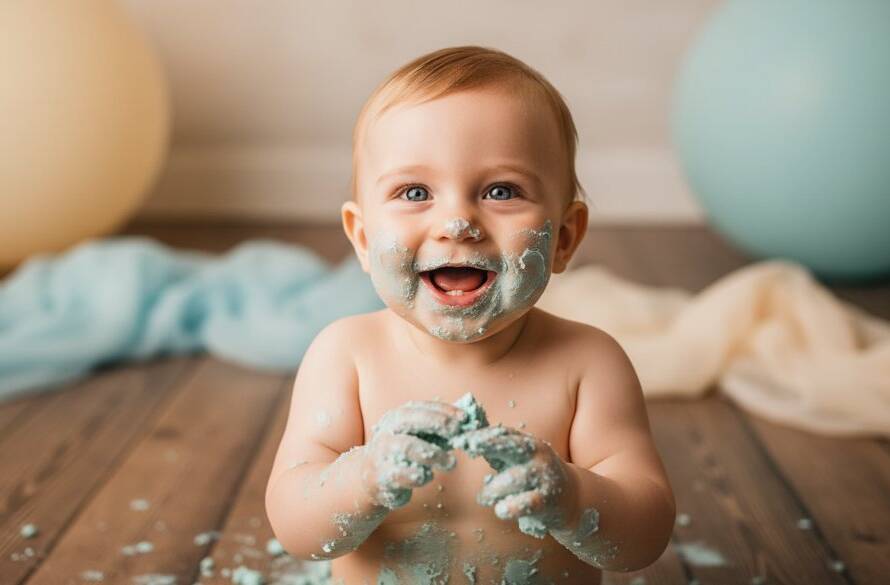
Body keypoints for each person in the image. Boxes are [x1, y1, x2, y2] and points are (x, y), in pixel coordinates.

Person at [265, 45, 675, 585]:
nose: (457, 222)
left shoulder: (588, 364)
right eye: (415, 192)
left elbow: (643, 535)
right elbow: (297, 526)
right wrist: (362, 480)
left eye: (501, 191)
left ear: (564, 237)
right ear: (363, 239)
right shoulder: (346, 356)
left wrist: (572, 499)